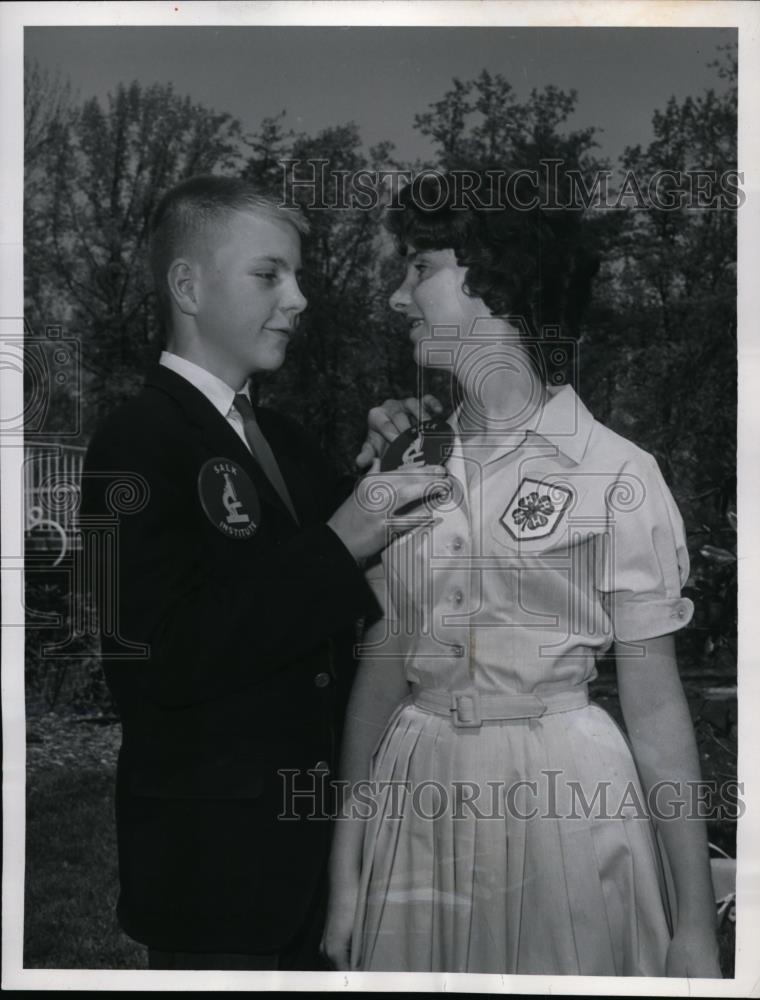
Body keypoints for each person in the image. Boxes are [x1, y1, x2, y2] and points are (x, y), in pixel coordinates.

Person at [322, 173, 723, 976]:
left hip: (561, 800)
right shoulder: (408, 460)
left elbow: (654, 711)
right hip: (417, 789)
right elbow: (382, 666)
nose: (399, 297)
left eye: (419, 267)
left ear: (490, 281)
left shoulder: (615, 469)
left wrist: (692, 925)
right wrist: (344, 869)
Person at [80, 175, 449, 970]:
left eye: (298, 276)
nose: (299, 298)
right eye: (269, 274)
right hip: (217, 878)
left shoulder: (278, 434)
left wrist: (384, 465)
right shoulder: (133, 442)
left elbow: (311, 572)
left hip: (315, 858)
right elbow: (150, 657)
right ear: (188, 285)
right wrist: (340, 540)